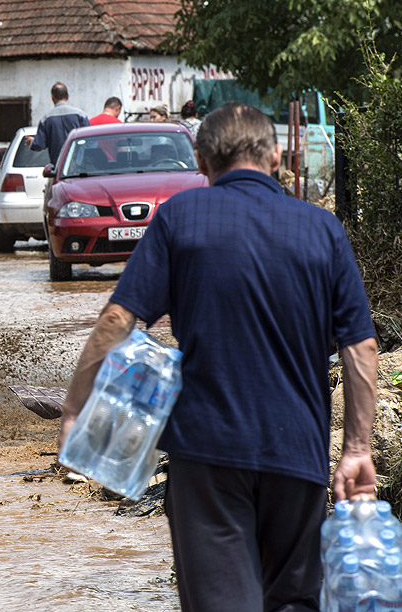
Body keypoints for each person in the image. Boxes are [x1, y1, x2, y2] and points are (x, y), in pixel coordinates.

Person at [59, 102, 378, 612]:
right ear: (276, 157)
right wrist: (357, 448)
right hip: (298, 454)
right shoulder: (321, 230)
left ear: (202, 163)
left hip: (207, 456)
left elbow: (118, 322)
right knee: (294, 602)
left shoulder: (180, 218)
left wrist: (76, 409)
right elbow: (360, 348)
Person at [23, 82, 89, 165]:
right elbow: (89, 141)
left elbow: (39, 145)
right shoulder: (80, 115)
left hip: (58, 168)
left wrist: (32, 142)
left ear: (52, 98)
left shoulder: (46, 119)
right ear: (68, 96)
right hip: (79, 168)